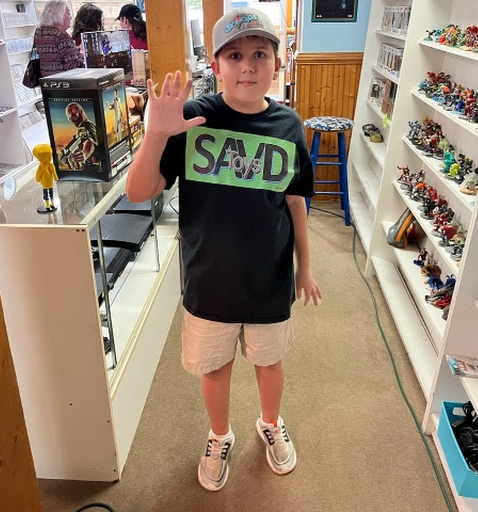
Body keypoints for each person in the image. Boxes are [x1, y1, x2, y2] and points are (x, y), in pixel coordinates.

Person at [126, 7, 322, 492]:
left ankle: (270, 423)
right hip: (208, 280)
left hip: (269, 279)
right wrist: (156, 134)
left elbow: (295, 201)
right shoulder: (194, 118)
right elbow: (139, 191)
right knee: (214, 367)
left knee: (269, 362)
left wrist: (305, 267)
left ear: (277, 62)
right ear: (215, 65)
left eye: (260, 54)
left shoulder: (288, 125)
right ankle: (219, 435)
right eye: (234, 56)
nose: (248, 66)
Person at [34, 0, 84, 77]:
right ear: (59, 15)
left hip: (47, 80)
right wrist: (81, 55)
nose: (71, 18)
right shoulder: (61, 36)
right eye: (68, 14)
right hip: (64, 80)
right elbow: (73, 67)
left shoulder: (39, 32)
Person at [60, 102, 100, 172]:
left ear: (80, 112)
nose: (71, 120)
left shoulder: (84, 127)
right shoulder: (90, 126)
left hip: (92, 169)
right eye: (69, 118)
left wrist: (84, 154)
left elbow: (89, 141)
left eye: (73, 115)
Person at [33, 144, 59, 212]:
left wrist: (38, 179)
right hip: (49, 182)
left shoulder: (43, 165)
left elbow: (39, 173)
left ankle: (49, 205)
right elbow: (53, 172)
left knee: (46, 194)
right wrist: (55, 178)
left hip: (46, 183)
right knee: (50, 193)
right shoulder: (48, 164)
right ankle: (51, 204)